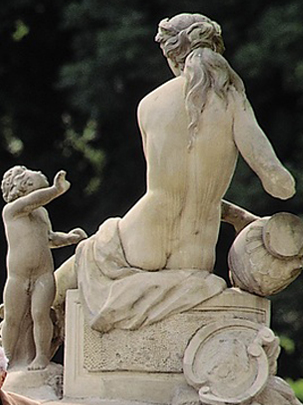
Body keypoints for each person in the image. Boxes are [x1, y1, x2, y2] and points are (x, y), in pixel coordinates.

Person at [76, 13, 296, 332]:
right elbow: (279, 185)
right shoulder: (233, 101)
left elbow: (169, 188)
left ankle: (21, 336)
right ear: (216, 50)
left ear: (171, 55)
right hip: (195, 254)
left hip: (143, 237)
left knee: (86, 254)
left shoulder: (150, 104)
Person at [0, 166, 86, 371]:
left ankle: (41, 356)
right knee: (12, 318)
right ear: (23, 183)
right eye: (33, 172)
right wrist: (56, 190)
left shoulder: (42, 212)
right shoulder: (12, 210)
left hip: (42, 274)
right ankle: (5, 359)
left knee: (41, 314)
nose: (39, 172)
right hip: (18, 277)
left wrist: (69, 238)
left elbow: (49, 238)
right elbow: (31, 201)